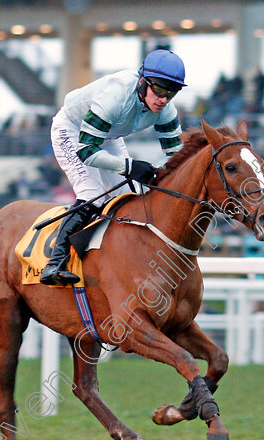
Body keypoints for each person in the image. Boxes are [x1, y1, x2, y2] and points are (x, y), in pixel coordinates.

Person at [40, 48, 187, 286]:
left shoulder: (166, 109)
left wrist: (159, 171)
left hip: (108, 135)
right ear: (142, 81)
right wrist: (130, 166)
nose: (163, 99)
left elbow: (178, 155)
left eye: (171, 92)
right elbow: (87, 151)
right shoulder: (115, 96)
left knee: (131, 196)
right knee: (93, 194)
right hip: (73, 132)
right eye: (159, 89)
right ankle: (55, 261)